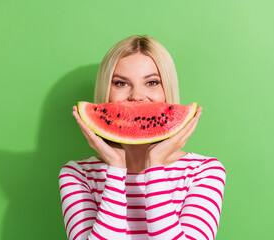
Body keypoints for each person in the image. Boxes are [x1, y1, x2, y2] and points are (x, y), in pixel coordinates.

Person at [59, 35, 226, 240]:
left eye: (152, 82)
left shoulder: (203, 172)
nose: (137, 96)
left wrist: (155, 164)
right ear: (105, 93)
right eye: (121, 84)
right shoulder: (78, 175)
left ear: (167, 90)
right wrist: (116, 166)